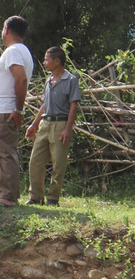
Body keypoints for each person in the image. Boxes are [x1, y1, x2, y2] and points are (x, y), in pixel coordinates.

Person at [0, 15, 34, 206]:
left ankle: (7, 197)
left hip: (6, 109)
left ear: (6, 30)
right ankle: (10, 193)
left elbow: (21, 79)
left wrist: (18, 109)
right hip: (5, 109)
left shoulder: (13, 51)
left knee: (5, 152)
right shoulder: (22, 51)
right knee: (5, 151)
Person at [26, 46, 81, 206]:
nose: (44, 63)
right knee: (35, 161)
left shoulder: (70, 80)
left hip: (60, 124)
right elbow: (44, 104)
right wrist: (34, 124)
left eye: (47, 60)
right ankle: (35, 197)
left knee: (58, 163)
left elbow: (73, 106)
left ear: (57, 62)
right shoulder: (48, 81)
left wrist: (67, 129)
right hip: (45, 123)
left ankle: (52, 198)